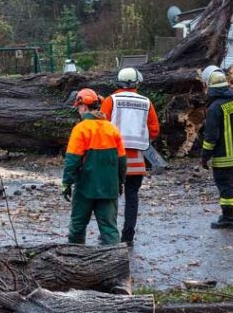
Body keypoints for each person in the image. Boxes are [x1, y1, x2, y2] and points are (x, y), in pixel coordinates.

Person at [100, 67, 160, 245]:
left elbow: (100, 126)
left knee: (109, 196)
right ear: (136, 82)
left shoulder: (111, 100)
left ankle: (109, 234)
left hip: (111, 158)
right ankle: (128, 236)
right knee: (132, 196)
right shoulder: (146, 102)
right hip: (136, 160)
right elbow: (154, 129)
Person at [62, 88, 127, 245]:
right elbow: (122, 160)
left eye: (78, 108)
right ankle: (115, 262)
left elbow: (72, 160)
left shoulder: (81, 129)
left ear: (83, 106)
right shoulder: (112, 129)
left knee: (77, 226)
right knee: (109, 229)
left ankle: (75, 259)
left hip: (85, 187)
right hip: (109, 187)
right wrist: (120, 181)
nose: (78, 111)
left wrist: (67, 183)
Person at [200, 66, 233, 228]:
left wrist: (204, 156)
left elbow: (211, 137)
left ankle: (228, 219)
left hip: (223, 155)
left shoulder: (214, 108)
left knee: (225, 185)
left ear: (210, 87)